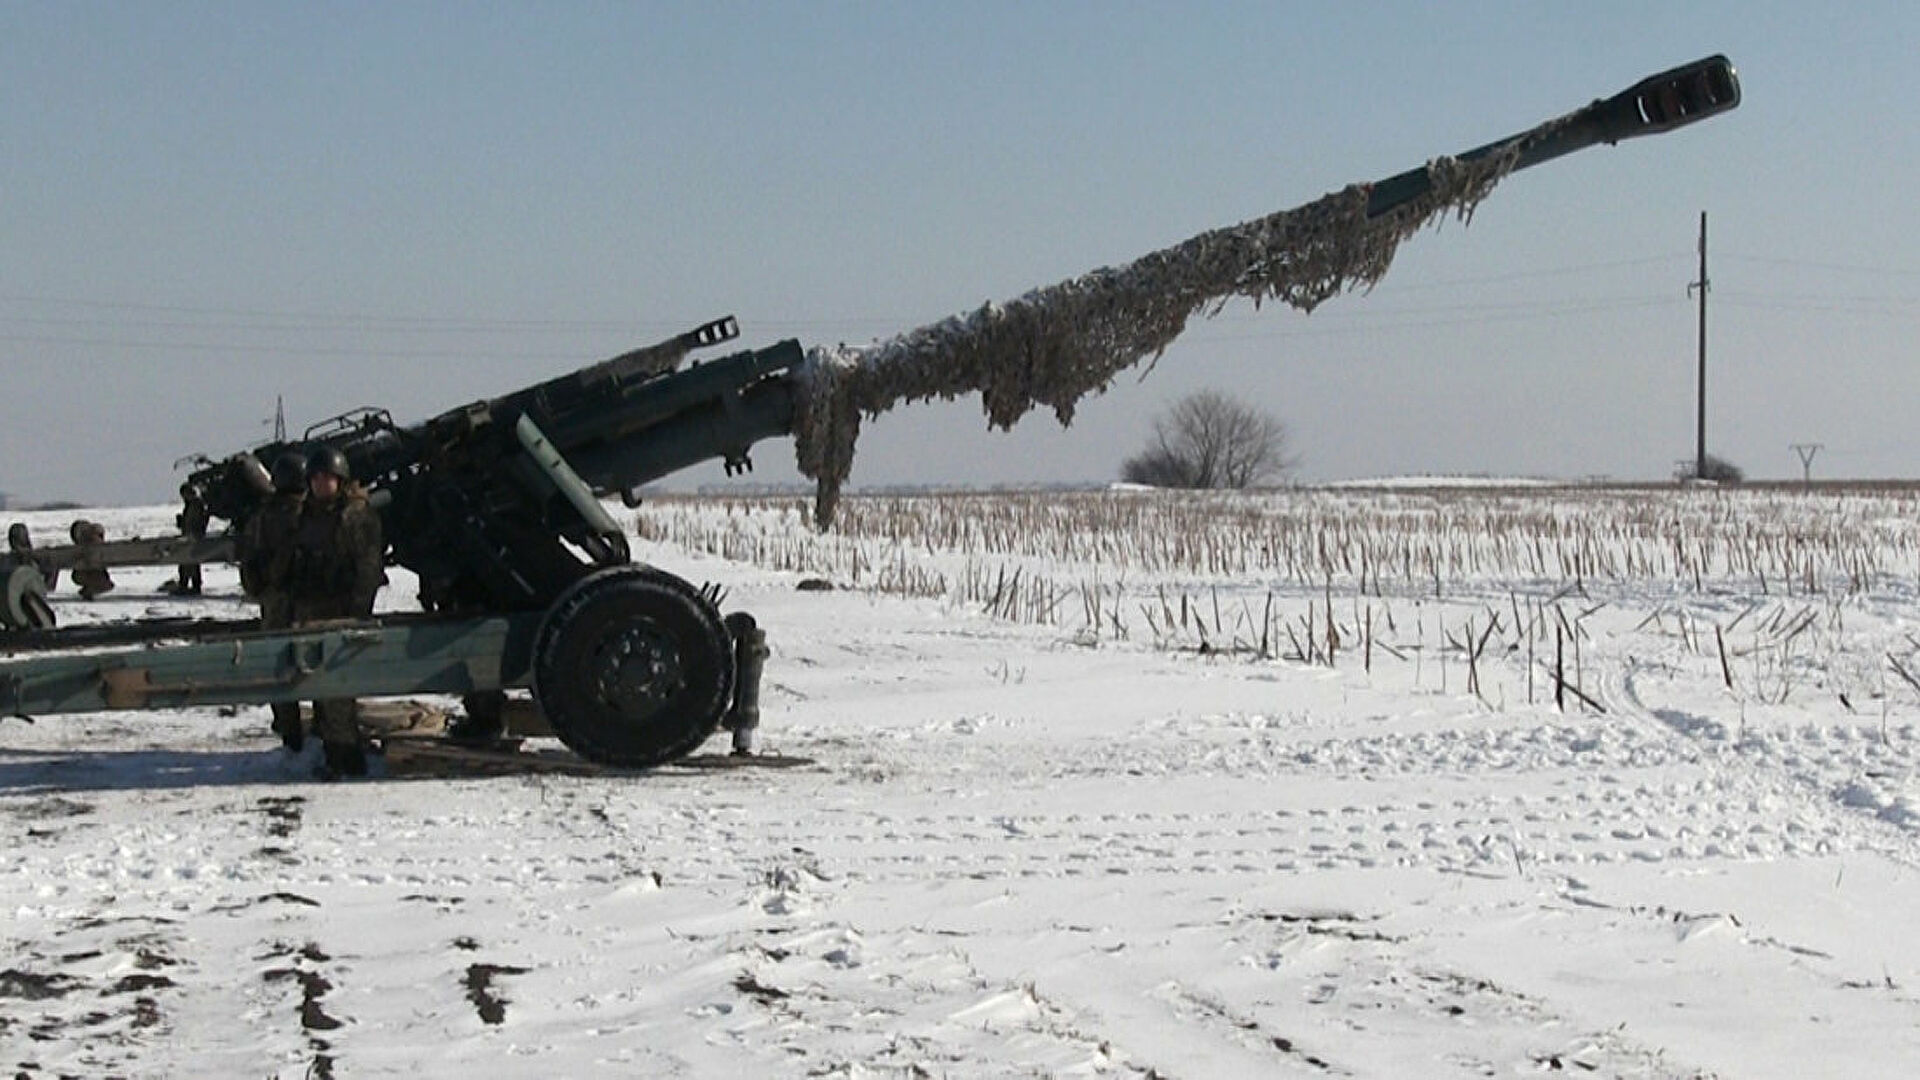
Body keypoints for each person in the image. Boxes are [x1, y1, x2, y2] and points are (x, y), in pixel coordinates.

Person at [284, 446, 386, 777]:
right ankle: (331, 748)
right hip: (311, 611)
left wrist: (357, 613)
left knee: (339, 690)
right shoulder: (307, 515)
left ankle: (346, 759)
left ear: (339, 480)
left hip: (342, 612)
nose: (319, 484)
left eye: (326, 478)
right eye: (314, 478)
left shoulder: (355, 516)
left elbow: (368, 569)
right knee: (318, 687)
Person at [240, 452, 308, 752]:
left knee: (279, 668)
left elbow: (249, 563)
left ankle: (290, 731)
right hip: (312, 601)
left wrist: (260, 591)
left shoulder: (262, 518)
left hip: (275, 602)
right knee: (318, 663)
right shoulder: (313, 513)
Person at [170, 482, 210, 595]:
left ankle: (190, 585)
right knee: (187, 563)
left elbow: (197, 522)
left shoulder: (197, 505)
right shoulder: (192, 505)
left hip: (193, 537)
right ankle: (186, 584)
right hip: (189, 536)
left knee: (190, 563)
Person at [68, 519, 115, 600]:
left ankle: (91, 588)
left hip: (82, 575)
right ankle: (92, 587)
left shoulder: (79, 550)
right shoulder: (102, 549)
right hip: (91, 574)